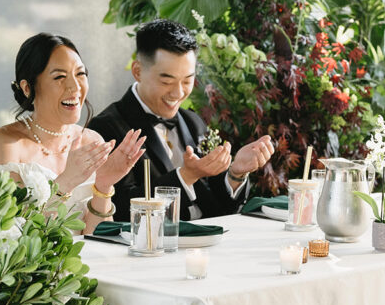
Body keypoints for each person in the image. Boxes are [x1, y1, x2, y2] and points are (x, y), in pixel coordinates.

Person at [89, 19, 274, 221]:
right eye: (166, 81)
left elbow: (220, 208)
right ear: (138, 71)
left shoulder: (194, 122)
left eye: (187, 80)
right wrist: (186, 176)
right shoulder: (104, 128)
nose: (178, 93)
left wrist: (236, 173)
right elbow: (118, 210)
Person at [0, 33, 146, 234]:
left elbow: (98, 237)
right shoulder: (4, 144)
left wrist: (103, 186)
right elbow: (7, 236)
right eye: (59, 77)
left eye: (80, 74)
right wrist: (66, 182)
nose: (74, 87)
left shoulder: (92, 140)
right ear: (27, 88)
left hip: (91, 264)